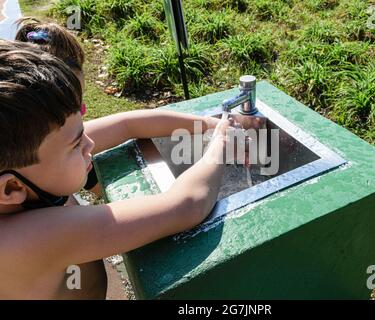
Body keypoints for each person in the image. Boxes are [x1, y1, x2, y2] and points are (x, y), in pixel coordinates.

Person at [0, 40, 251, 299]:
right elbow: (186, 206)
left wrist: (209, 125)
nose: (91, 144)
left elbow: (126, 124)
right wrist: (220, 143)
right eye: (77, 145)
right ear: (11, 188)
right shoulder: (26, 240)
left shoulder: (28, 159)